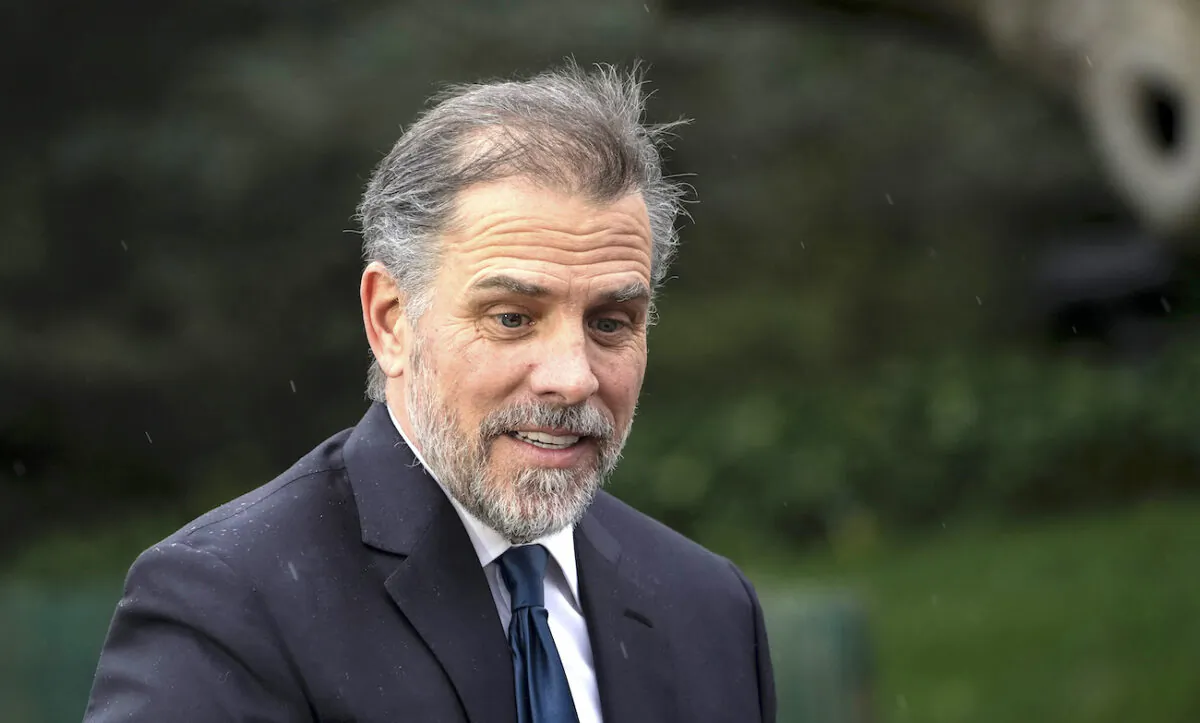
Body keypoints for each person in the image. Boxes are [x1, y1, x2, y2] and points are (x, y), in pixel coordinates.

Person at [83, 62, 776, 723]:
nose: (573, 376)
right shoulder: (230, 600)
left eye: (610, 322)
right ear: (391, 320)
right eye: (512, 318)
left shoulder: (711, 610)